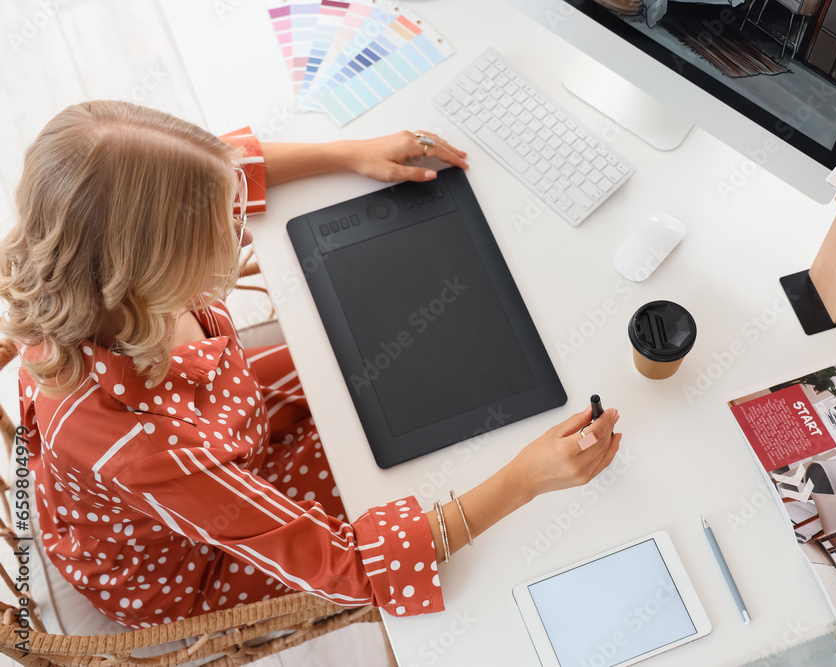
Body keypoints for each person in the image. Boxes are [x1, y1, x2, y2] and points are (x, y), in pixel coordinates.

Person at [0, 101, 622, 629]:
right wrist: (525, 480)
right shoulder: (142, 446)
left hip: (225, 435)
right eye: (225, 221)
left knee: (390, 364)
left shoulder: (96, 262)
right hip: (190, 560)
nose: (240, 223)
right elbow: (353, 570)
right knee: (443, 457)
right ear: (154, 268)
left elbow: (214, 164)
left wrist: (348, 153)